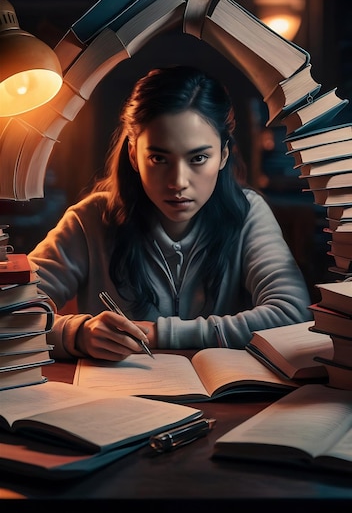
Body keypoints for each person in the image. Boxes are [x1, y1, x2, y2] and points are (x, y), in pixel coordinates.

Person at [29, 65, 312, 361]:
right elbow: (9, 315)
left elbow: (291, 314)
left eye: (198, 158)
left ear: (223, 156)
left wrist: (162, 334)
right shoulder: (90, 220)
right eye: (159, 158)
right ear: (133, 154)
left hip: (227, 399)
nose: (178, 182)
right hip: (120, 401)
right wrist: (76, 334)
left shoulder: (248, 214)